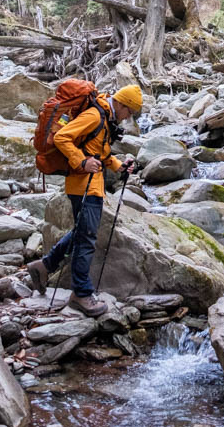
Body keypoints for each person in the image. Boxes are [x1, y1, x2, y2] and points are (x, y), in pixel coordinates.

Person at [27, 84, 143, 317]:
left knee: (83, 231)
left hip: (93, 185)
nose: (129, 117)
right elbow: (62, 137)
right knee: (87, 238)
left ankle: (45, 266)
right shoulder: (94, 114)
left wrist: (120, 167)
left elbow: (100, 152)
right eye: (129, 111)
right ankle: (81, 294)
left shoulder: (107, 118)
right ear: (120, 103)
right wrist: (81, 162)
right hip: (83, 185)